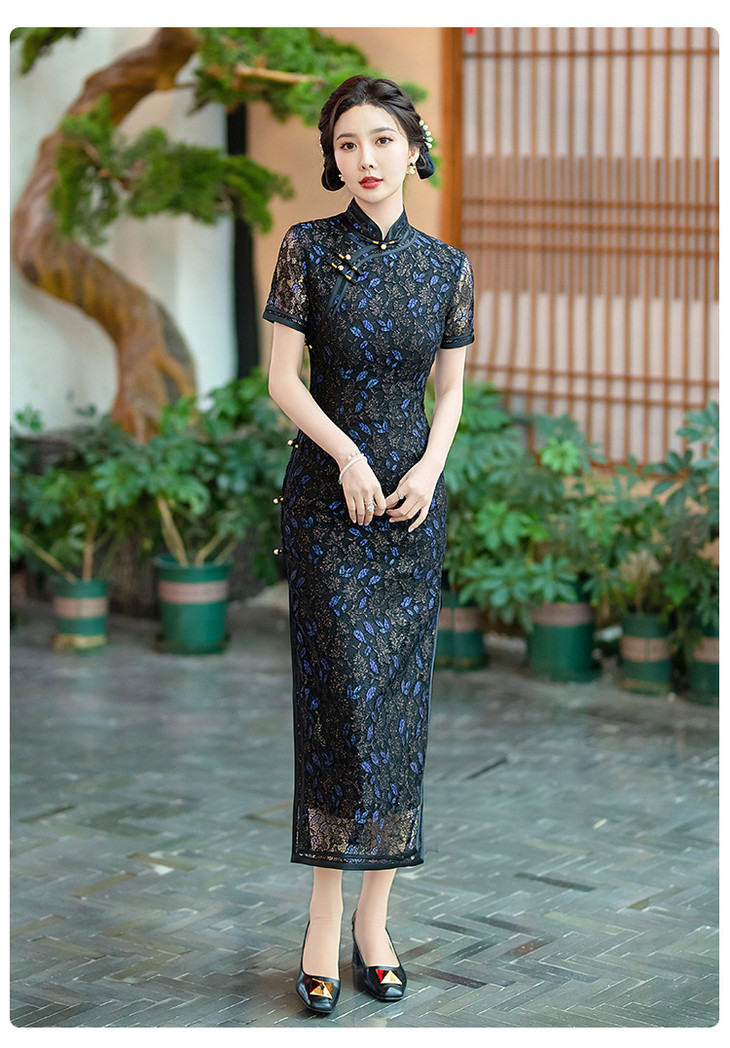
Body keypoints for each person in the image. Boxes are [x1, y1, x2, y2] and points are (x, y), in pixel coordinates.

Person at [265, 75, 474, 1014]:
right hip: (327, 508)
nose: (366, 159)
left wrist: (429, 470)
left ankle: (374, 925)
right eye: (347, 144)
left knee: (396, 713)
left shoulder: (448, 268)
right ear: (333, 158)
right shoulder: (307, 249)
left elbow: (450, 392)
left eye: (382, 140)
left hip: (409, 516)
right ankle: (321, 921)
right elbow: (284, 381)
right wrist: (347, 455)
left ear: (413, 150)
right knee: (339, 708)